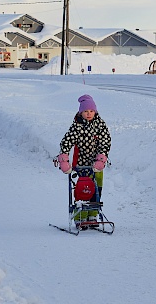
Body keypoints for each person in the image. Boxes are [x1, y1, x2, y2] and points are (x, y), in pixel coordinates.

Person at [56, 94, 111, 228]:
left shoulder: (100, 125)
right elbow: (67, 141)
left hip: (96, 164)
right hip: (81, 164)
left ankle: (93, 215)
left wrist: (101, 158)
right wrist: (64, 159)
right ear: (81, 112)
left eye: (91, 111)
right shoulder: (77, 126)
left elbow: (105, 140)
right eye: (86, 111)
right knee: (83, 190)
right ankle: (80, 216)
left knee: (96, 189)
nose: (89, 114)